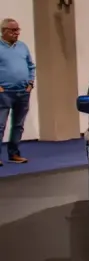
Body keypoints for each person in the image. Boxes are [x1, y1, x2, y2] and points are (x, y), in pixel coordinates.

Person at [0, 18, 35, 166]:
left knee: (18, 125)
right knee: (0, 125)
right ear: (4, 31)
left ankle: (14, 154)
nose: (17, 33)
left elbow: (31, 66)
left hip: (23, 92)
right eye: (13, 30)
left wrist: (30, 83)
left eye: (18, 30)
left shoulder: (22, 47)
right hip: (4, 93)